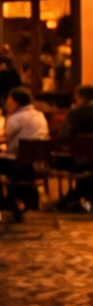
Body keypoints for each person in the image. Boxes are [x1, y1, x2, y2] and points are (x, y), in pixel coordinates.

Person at [0, 85, 50, 221]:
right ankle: (12, 199)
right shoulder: (39, 115)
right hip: (38, 163)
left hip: (18, 163)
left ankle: (1, 199)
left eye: (9, 100)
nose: (7, 103)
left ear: (15, 102)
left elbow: (7, 138)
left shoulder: (16, 117)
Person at [57, 82, 93, 212]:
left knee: (57, 159)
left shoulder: (75, 113)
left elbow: (64, 136)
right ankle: (80, 197)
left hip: (78, 160)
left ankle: (72, 199)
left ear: (79, 97)